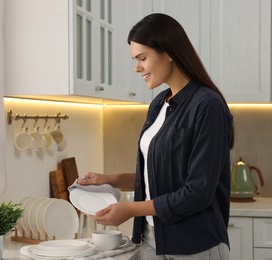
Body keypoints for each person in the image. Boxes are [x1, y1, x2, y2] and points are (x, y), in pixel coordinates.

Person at [78, 13, 234, 260]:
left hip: (195, 246)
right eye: (135, 59)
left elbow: (197, 192)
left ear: (169, 52)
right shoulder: (159, 104)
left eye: (142, 58)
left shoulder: (207, 105)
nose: (137, 67)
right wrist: (109, 179)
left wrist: (130, 210)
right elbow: (159, 175)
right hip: (153, 241)